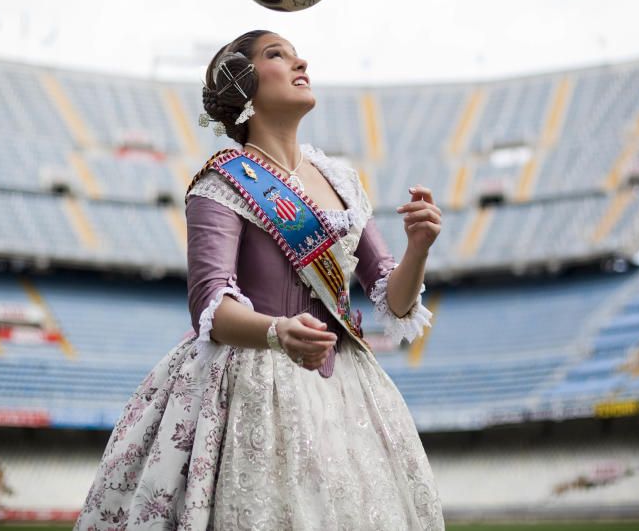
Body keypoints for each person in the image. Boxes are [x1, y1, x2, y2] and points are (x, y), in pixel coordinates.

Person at [75, 30, 445, 530]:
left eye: (297, 55)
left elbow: (394, 302)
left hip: (345, 391)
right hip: (254, 381)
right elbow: (209, 306)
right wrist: (277, 331)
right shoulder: (221, 181)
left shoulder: (342, 181)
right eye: (278, 55)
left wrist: (418, 248)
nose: (301, 62)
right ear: (242, 83)